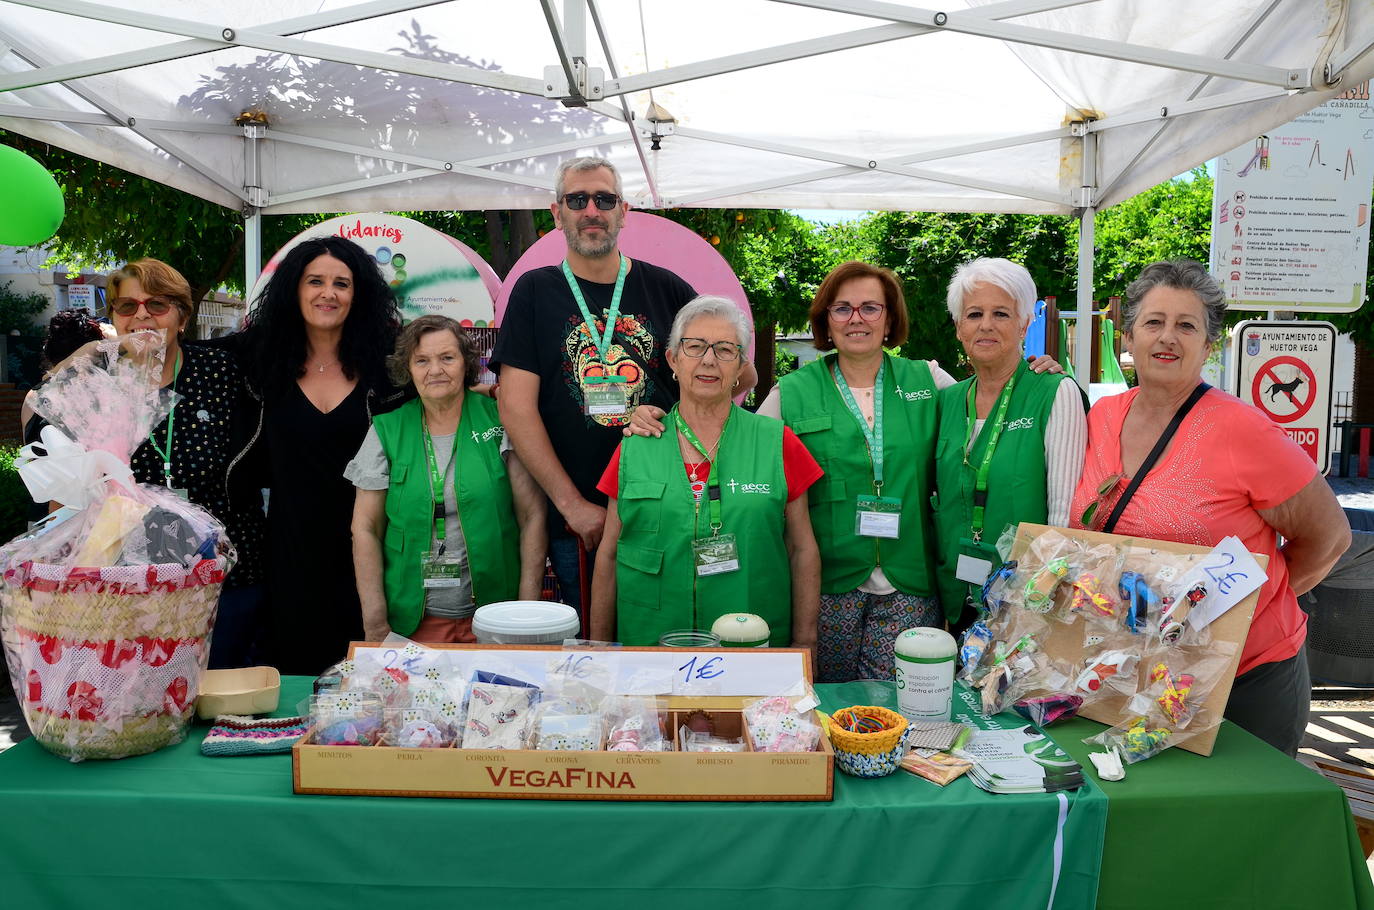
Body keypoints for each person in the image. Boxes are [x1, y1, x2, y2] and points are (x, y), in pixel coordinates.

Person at [1070, 259, 1349, 756]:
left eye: (1186, 325)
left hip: (1245, 680)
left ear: (1209, 343)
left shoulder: (1244, 430)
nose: (1167, 338)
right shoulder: (1101, 416)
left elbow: (1329, 538)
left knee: (1242, 825)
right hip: (1138, 671)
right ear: (1128, 337)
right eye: (1153, 323)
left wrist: (1244, 613)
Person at [490, 156, 755, 615]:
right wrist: (571, 505)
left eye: (604, 199)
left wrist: (688, 396)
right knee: (598, 652)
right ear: (557, 214)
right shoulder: (535, 291)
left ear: (623, 211)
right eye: (577, 200)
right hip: (580, 522)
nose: (591, 210)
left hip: (670, 510)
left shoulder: (666, 289)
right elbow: (515, 407)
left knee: (681, 627)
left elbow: (740, 376)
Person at [748, 262, 950, 682]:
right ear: (826, 320)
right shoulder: (792, 392)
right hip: (826, 587)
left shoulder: (927, 379)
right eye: (842, 309)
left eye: (870, 308)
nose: (856, 318)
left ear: (890, 318)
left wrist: (1040, 376)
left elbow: (989, 411)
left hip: (908, 584)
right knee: (828, 710)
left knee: (895, 712)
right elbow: (738, 447)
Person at [589, 296, 821, 648]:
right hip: (649, 647)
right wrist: (600, 648)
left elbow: (802, 550)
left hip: (751, 646)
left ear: (742, 366)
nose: (709, 360)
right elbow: (608, 554)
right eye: (695, 346)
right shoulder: (635, 446)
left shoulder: (777, 442)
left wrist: (806, 643)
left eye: (726, 350)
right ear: (673, 359)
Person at [236, 236, 403, 676]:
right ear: (294, 288)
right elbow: (181, 363)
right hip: (290, 554)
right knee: (297, 683)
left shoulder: (388, 366)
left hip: (375, 549)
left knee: (370, 682)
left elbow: (444, 386)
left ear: (358, 294)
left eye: (341, 284)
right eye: (315, 281)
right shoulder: (255, 359)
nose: (328, 293)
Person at [101, 259, 268, 669]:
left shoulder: (223, 372)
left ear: (182, 317)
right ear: (115, 319)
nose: (141, 314)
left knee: (223, 696)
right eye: (126, 306)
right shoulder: (97, 384)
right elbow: (68, 491)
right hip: (130, 581)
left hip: (226, 573)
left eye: (157, 304)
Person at [348, 316, 546, 643]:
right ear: (407, 368)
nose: (435, 370)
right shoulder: (386, 430)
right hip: (412, 623)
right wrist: (375, 622)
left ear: (466, 363)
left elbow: (532, 515)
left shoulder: (500, 419)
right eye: (422, 360)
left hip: (495, 619)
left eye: (447, 358)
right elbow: (365, 528)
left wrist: (524, 611)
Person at [933, 257, 1088, 629]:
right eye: (974, 314)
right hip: (951, 597)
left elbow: (1064, 518)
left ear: (1024, 324)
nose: (986, 325)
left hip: (1025, 605)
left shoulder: (1054, 392)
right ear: (958, 327)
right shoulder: (947, 400)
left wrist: (1040, 602)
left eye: (1001, 314)